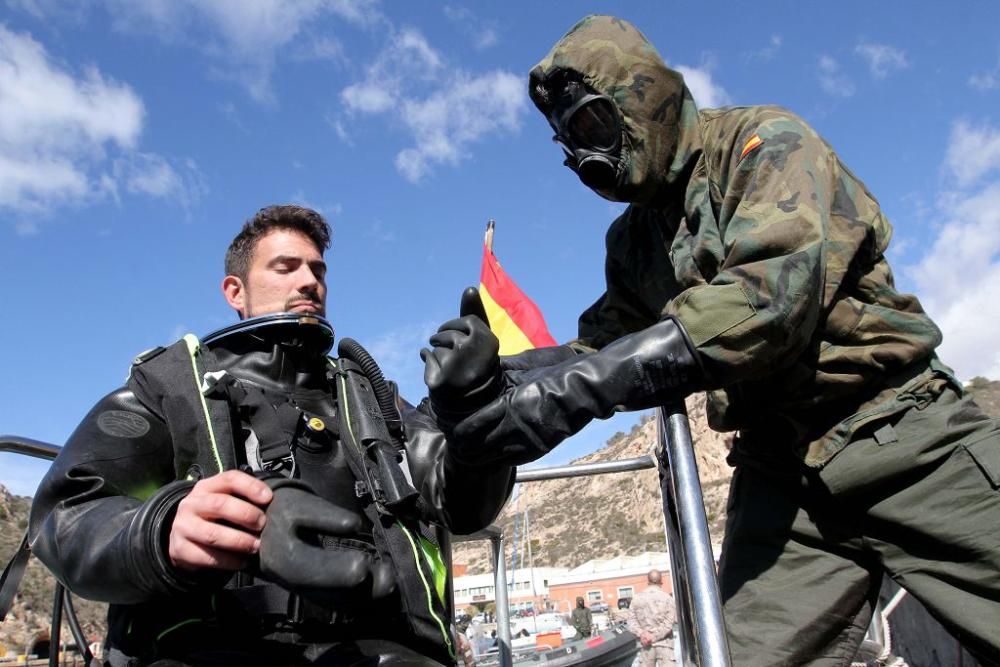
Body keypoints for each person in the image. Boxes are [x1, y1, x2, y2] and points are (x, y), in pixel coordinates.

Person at [422, 14, 1000, 667]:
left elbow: (765, 301)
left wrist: (571, 389)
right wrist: (495, 380)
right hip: (784, 478)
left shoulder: (764, 144)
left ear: (640, 96)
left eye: (590, 127)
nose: (586, 157)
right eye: (568, 142)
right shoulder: (633, 242)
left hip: (900, 432)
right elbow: (600, 347)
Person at [27, 205, 516, 666]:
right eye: (286, 267)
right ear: (235, 291)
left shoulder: (368, 395)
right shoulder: (171, 387)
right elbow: (67, 512)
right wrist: (162, 528)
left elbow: (460, 505)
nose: (309, 281)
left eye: (318, 270)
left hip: (391, 650)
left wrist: (475, 418)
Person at [628, 570, 675, 667]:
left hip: (646, 646)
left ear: (648, 580)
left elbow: (631, 622)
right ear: (661, 580)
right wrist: (654, 637)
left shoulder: (636, 599)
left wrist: (642, 634)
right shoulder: (668, 598)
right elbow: (669, 624)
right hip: (664, 644)